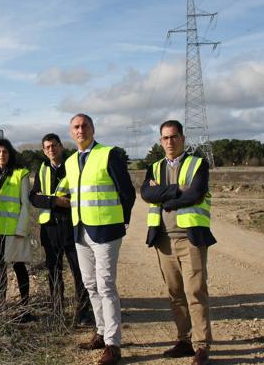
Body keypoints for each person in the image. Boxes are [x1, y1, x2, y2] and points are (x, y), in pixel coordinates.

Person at [140, 120, 215, 365]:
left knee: (194, 291)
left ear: (182, 138)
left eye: (173, 137)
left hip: (190, 238)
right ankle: (184, 340)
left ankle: (201, 346)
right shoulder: (154, 167)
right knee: (175, 293)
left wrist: (166, 197)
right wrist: (177, 191)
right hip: (163, 240)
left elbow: (196, 193)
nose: (169, 142)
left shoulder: (198, 163)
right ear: (160, 141)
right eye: (165, 138)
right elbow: (147, 194)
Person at [65, 114, 135, 365]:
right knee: (90, 284)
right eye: (76, 126)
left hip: (106, 230)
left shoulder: (108, 154)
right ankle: (101, 331)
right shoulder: (71, 161)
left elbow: (127, 191)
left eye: (85, 125)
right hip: (81, 230)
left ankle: (113, 344)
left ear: (93, 129)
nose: (80, 130)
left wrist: (121, 220)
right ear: (71, 132)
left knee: (106, 285)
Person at [29, 133, 91, 325]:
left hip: (72, 226)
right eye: (47, 147)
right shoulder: (43, 169)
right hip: (50, 229)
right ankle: (57, 310)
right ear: (43, 150)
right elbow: (34, 197)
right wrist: (54, 201)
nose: (51, 149)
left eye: (54, 146)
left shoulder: (73, 165)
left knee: (79, 272)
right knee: (53, 271)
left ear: (61, 146)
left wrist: (68, 203)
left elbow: (82, 193)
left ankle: (82, 313)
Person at [0, 138, 33, 322]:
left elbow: (26, 204)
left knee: (19, 266)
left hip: (14, 230)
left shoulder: (20, 174)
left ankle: (25, 307)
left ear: (10, 154)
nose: (2, 155)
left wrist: (22, 229)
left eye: (5, 152)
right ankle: (1, 304)